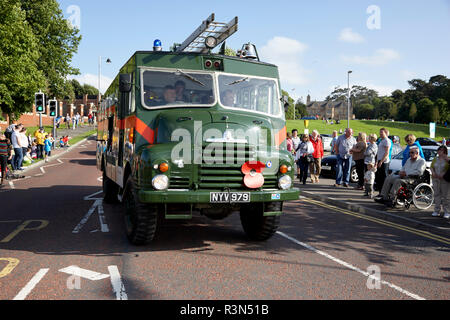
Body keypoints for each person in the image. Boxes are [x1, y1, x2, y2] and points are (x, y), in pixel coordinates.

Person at [430, 146, 449, 219]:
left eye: (442, 150)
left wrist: (444, 173)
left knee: (446, 196)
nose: (440, 152)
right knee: (437, 195)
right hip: (435, 179)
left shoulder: (448, 159)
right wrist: (433, 172)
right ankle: (436, 210)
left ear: (445, 152)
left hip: (444, 180)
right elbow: (431, 166)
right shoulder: (435, 159)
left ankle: (447, 211)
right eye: (439, 150)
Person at [375, 128, 391, 193]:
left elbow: (387, 152)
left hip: (384, 162)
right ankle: (380, 192)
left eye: (382, 132)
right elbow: (379, 152)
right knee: (379, 178)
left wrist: (381, 161)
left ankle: (384, 193)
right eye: (380, 132)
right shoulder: (382, 140)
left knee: (383, 177)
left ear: (386, 133)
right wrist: (377, 161)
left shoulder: (387, 141)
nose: (380, 134)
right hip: (380, 160)